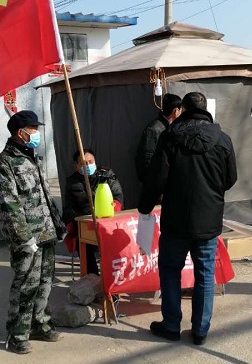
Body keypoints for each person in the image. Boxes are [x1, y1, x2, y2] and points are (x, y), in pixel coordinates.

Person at [139, 92, 237, 346]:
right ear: (205, 109)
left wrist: (145, 206)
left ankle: (171, 324)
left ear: (182, 109)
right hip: (209, 220)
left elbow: (156, 177)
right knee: (205, 273)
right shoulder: (222, 139)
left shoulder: (170, 136)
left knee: (170, 270)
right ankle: (201, 329)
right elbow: (230, 179)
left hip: (176, 220)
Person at [0, 110, 66, 355]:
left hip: (46, 233)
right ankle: (17, 333)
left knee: (44, 282)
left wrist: (58, 225)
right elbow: (8, 206)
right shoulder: (3, 165)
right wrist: (24, 238)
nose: (37, 134)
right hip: (28, 238)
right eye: (33, 130)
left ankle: (39, 323)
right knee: (25, 286)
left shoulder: (33, 157)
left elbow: (45, 195)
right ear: (21, 133)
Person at [63, 149, 124, 275]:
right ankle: (92, 278)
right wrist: (81, 221)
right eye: (84, 163)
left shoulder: (106, 175)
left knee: (112, 246)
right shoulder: (72, 182)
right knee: (83, 244)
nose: (88, 165)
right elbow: (69, 209)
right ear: (76, 166)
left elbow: (118, 197)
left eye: (91, 162)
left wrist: (112, 211)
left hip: (107, 222)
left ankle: (111, 280)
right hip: (85, 223)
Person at [135, 93, 182, 182]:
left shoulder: (167, 127)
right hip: (155, 183)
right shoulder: (155, 129)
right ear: (176, 111)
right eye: (180, 111)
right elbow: (146, 158)